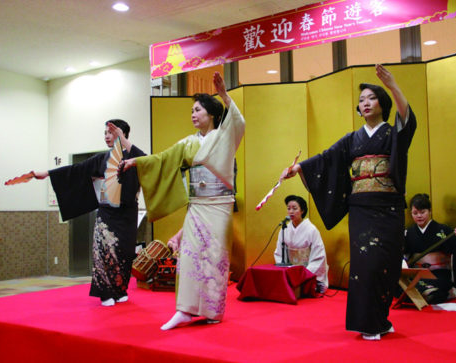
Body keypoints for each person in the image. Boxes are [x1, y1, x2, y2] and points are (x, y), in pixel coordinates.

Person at [283, 64, 416, 340]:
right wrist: (299, 170)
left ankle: (380, 317)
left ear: (383, 103)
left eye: (371, 98)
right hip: (361, 209)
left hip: (388, 206)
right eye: (361, 100)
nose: (365, 103)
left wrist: (392, 84)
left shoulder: (392, 134)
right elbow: (326, 159)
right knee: (366, 265)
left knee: (387, 264)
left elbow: (408, 120)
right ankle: (367, 323)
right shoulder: (352, 139)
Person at [120, 72, 245, 330]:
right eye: (191, 110)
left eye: (197, 109)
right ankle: (184, 310)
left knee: (215, 258)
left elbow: (238, 121)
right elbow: (162, 159)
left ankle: (213, 310)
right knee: (189, 256)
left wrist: (222, 93)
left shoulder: (224, 135)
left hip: (219, 206)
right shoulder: (188, 143)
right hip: (197, 206)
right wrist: (136, 161)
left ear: (211, 113)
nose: (193, 114)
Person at [32, 119, 145, 306]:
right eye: (105, 133)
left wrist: (124, 141)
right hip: (107, 214)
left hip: (128, 214)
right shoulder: (103, 158)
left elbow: (147, 159)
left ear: (122, 134)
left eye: (111, 132)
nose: (107, 136)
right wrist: (47, 173)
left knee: (124, 252)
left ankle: (119, 289)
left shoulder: (135, 157)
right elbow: (76, 169)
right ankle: (105, 293)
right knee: (104, 252)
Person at [404, 193, 456, 304]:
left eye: (422, 212)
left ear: (430, 211)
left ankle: (430, 293)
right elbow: (403, 254)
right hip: (418, 274)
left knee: (434, 289)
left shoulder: (443, 230)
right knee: (401, 287)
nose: (419, 216)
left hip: (438, 274)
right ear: (411, 213)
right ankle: (427, 293)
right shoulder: (409, 233)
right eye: (415, 213)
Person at [274, 195, 329, 293]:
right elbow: (279, 252)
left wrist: (305, 273)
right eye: (288, 208)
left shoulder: (311, 230)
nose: (291, 211)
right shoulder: (285, 228)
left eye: (294, 208)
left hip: (307, 270)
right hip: (291, 270)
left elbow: (318, 254)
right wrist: (287, 270)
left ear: (302, 211)